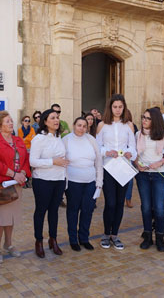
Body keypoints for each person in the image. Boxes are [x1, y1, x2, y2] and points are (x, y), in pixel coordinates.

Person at [0, 111, 30, 263]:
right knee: (0, 218)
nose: (11, 123)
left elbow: (26, 159)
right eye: (7, 121)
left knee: (10, 217)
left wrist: (23, 172)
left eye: (11, 121)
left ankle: (9, 244)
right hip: (1, 184)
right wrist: (13, 174)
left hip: (16, 183)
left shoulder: (18, 140)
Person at [96, 94, 136, 250]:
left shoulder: (129, 125)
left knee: (120, 203)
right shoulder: (102, 125)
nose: (118, 110)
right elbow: (97, 147)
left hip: (124, 168)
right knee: (110, 202)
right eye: (115, 107)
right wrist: (107, 152)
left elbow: (133, 147)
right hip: (109, 168)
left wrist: (129, 153)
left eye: (120, 107)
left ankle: (115, 235)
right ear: (110, 107)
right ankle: (106, 234)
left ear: (124, 107)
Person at [30, 109, 68, 258]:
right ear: (45, 121)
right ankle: (38, 241)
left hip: (58, 179)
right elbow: (33, 161)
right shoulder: (39, 139)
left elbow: (62, 159)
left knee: (54, 211)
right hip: (43, 180)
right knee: (41, 211)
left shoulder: (59, 138)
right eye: (52, 118)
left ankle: (53, 239)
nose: (56, 120)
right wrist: (53, 161)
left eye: (57, 117)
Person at [134, 108, 164, 252]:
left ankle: (160, 238)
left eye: (147, 118)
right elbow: (135, 155)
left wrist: (159, 163)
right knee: (145, 207)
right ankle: (148, 236)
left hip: (159, 175)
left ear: (154, 120)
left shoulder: (163, 135)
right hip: (143, 175)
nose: (144, 120)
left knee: (158, 208)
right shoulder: (138, 134)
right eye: (143, 117)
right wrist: (137, 164)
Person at [63, 117, 103, 251]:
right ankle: (73, 239)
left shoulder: (91, 140)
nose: (81, 128)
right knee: (73, 211)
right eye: (79, 125)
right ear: (74, 125)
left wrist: (99, 182)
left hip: (90, 182)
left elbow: (98, 162)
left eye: (84, 126)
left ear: (88, 127)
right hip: (73, 182)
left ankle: (84, 238)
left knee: (88, 210)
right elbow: (62, 162)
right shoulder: (66, 140)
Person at [125, 110, 138, 208]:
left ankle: (128, 199)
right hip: (118, 156)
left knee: (129, 180)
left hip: (129, 156)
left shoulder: (133, 126)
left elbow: (135, 141)